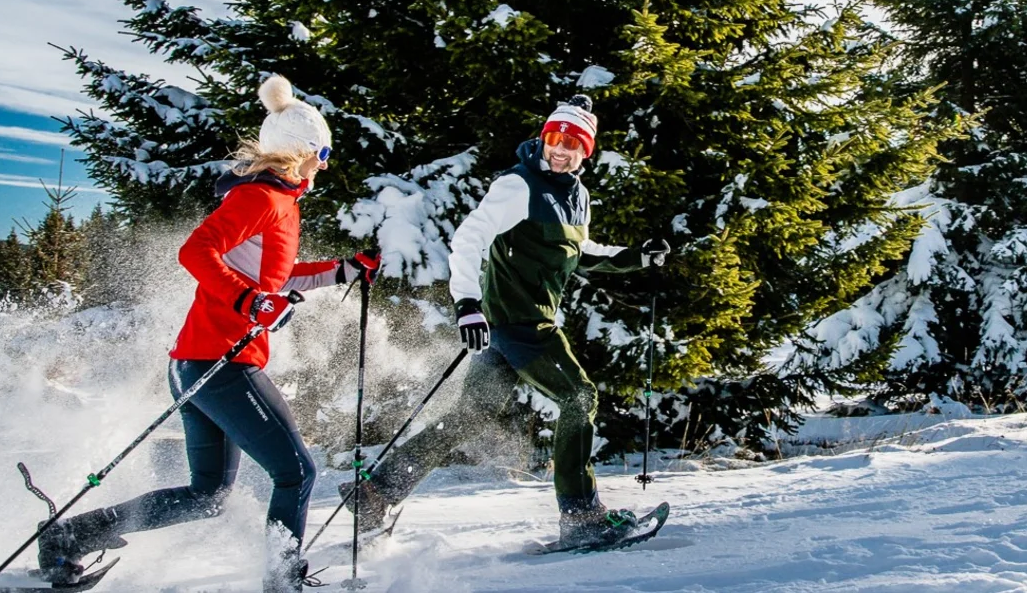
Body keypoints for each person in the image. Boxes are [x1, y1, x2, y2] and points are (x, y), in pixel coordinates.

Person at [35, 75, 379, 592]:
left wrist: (344, 269)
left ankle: (69, 537)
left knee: (209, 494)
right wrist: (250, 301)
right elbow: (196, 252)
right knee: (297, 473)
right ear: (302, 151)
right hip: (222, 364)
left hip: (198, 362)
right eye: (323, 151)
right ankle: (282, 581)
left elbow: (277, 277)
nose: (325, 163)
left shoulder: (280, 204)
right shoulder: (262, 199)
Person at [339, 94, 669, 547]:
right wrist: (467, 304)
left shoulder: (576, 196)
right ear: (544, 137)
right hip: (520, 325)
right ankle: (580, 516)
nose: (561, 149)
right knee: (579, 398)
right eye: (555, 137)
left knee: (469, 416)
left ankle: (379, 491)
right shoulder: (518, 186)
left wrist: (635, 258)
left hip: (507, 330)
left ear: (584, 152)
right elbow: (469, 239)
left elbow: (580, 254)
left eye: (573, 143)